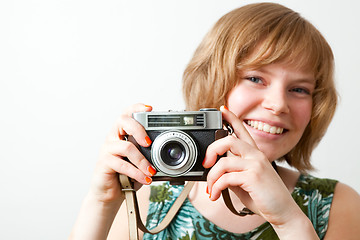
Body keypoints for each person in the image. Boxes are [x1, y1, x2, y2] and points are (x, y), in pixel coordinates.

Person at [69, 2, 360, 239]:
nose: (277, 104)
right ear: (214, 81)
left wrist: (289, 221)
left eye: (299, 89)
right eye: (255, 78)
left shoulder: (336, 205)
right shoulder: (147, 198)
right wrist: (101, 203)